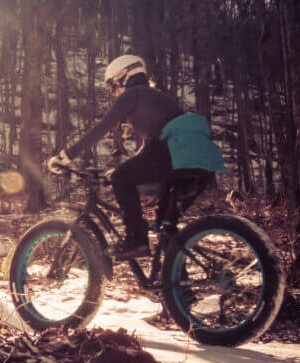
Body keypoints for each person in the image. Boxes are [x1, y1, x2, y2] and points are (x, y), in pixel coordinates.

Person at [47, 54, 225, 258]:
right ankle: (176, 286)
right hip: (203, 157)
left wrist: (66, 155)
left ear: (123, 77)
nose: (114, 93)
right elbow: (152, 149)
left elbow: (103, 126)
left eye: (113, 87)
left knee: (121, 178)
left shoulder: (133, 94)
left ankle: (136, 240)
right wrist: (126, 168)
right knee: (166, 227)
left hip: (177, 153)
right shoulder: (155, 98)